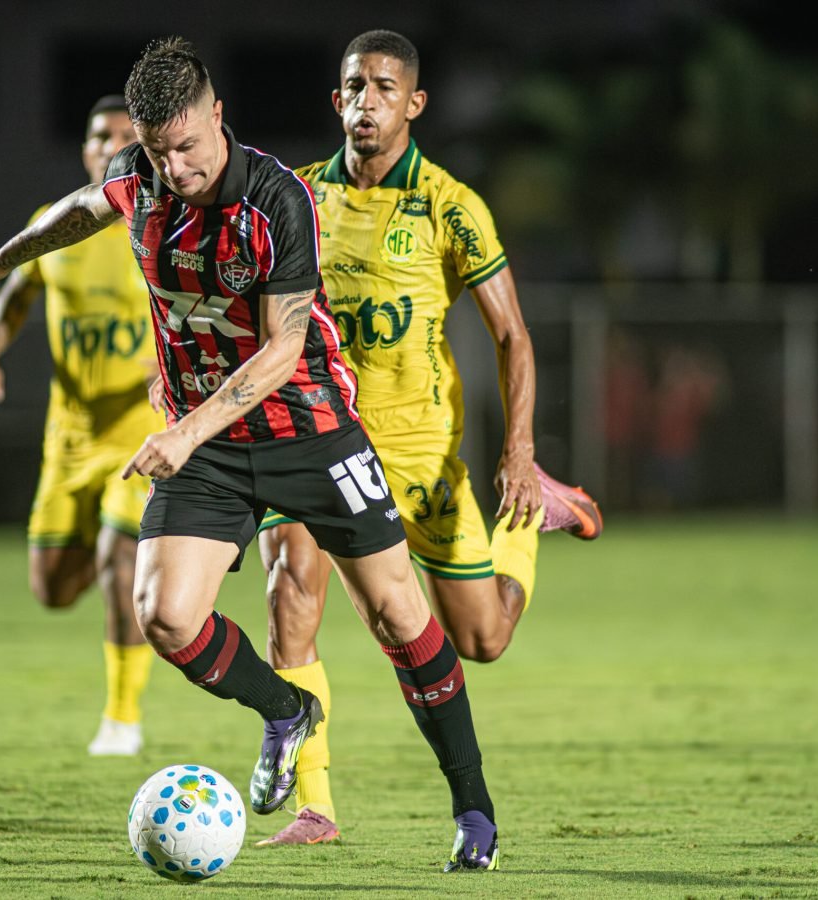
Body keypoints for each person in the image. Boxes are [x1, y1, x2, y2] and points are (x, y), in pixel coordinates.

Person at [0, 36, 503, 872]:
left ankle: (473, 807)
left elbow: (282, 351)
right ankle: (286, 710)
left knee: (398, 616)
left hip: (310, 433)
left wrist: (182, 431)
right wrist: (0, 261)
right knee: (165, 616)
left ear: (217, 117)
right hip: (210, 447)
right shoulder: (140, 177)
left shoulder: (278, 199)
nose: (174, 169)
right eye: (156, 152)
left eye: (186, 147)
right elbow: (81, 208)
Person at [253, 30, 603, 849]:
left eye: (384, 87)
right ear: (336, 100)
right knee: (289, 588)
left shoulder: (450, 205)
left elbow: (512, 336)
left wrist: (518, 454)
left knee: (481, 639)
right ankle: (316, 808)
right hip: (317, 443)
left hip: (420, 458)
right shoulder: (297, 198)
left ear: (413, 104)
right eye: (354, 85)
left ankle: (535, 516)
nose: (366, 100)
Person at [0, 95, 164, 757]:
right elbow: (16, 292)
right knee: (51, 589)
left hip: (139, 432)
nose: (112, 144)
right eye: (101, 135)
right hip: (70, 438)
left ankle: (122, 720)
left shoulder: (161, 225)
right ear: (86, 149)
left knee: (119, 560)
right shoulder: (54, 226)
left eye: (126, 135)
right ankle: (128, 572)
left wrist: (177, 368)